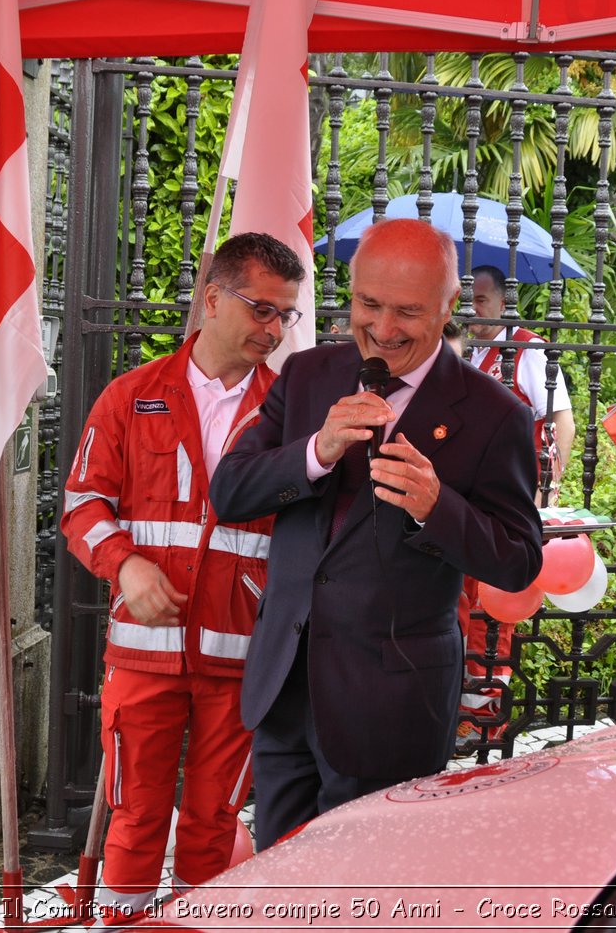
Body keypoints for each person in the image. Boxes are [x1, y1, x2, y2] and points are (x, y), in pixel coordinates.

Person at [211, 218, 543, 851]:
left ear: (450, 307)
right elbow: (230, 490)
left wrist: (436, 506)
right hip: (286, 689)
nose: (384, 329)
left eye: (409, 312)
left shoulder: (496, 414)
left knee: (367, 892)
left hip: (392, 705)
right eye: (369, 304)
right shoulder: (307, 376)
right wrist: (315, 450)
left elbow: (519, 561)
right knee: (280, 885)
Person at [61, 232, 305, 920]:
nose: (275, 328)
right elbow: (82, 506)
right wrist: (125, 562)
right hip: (143, 652)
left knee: (212, 827)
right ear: (212, 299)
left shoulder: (289, 412)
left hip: (243, 660)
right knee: (134, 821)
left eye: (286, 314)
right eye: (262, 309)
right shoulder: (130, 395)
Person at [466, 264, 576, 504]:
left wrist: (546, 493)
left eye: (481, 300)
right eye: (467, 299)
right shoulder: (468, 351)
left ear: (504, 303)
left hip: (519, 492)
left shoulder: (529, 349)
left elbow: (563, 424)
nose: (472, 308)